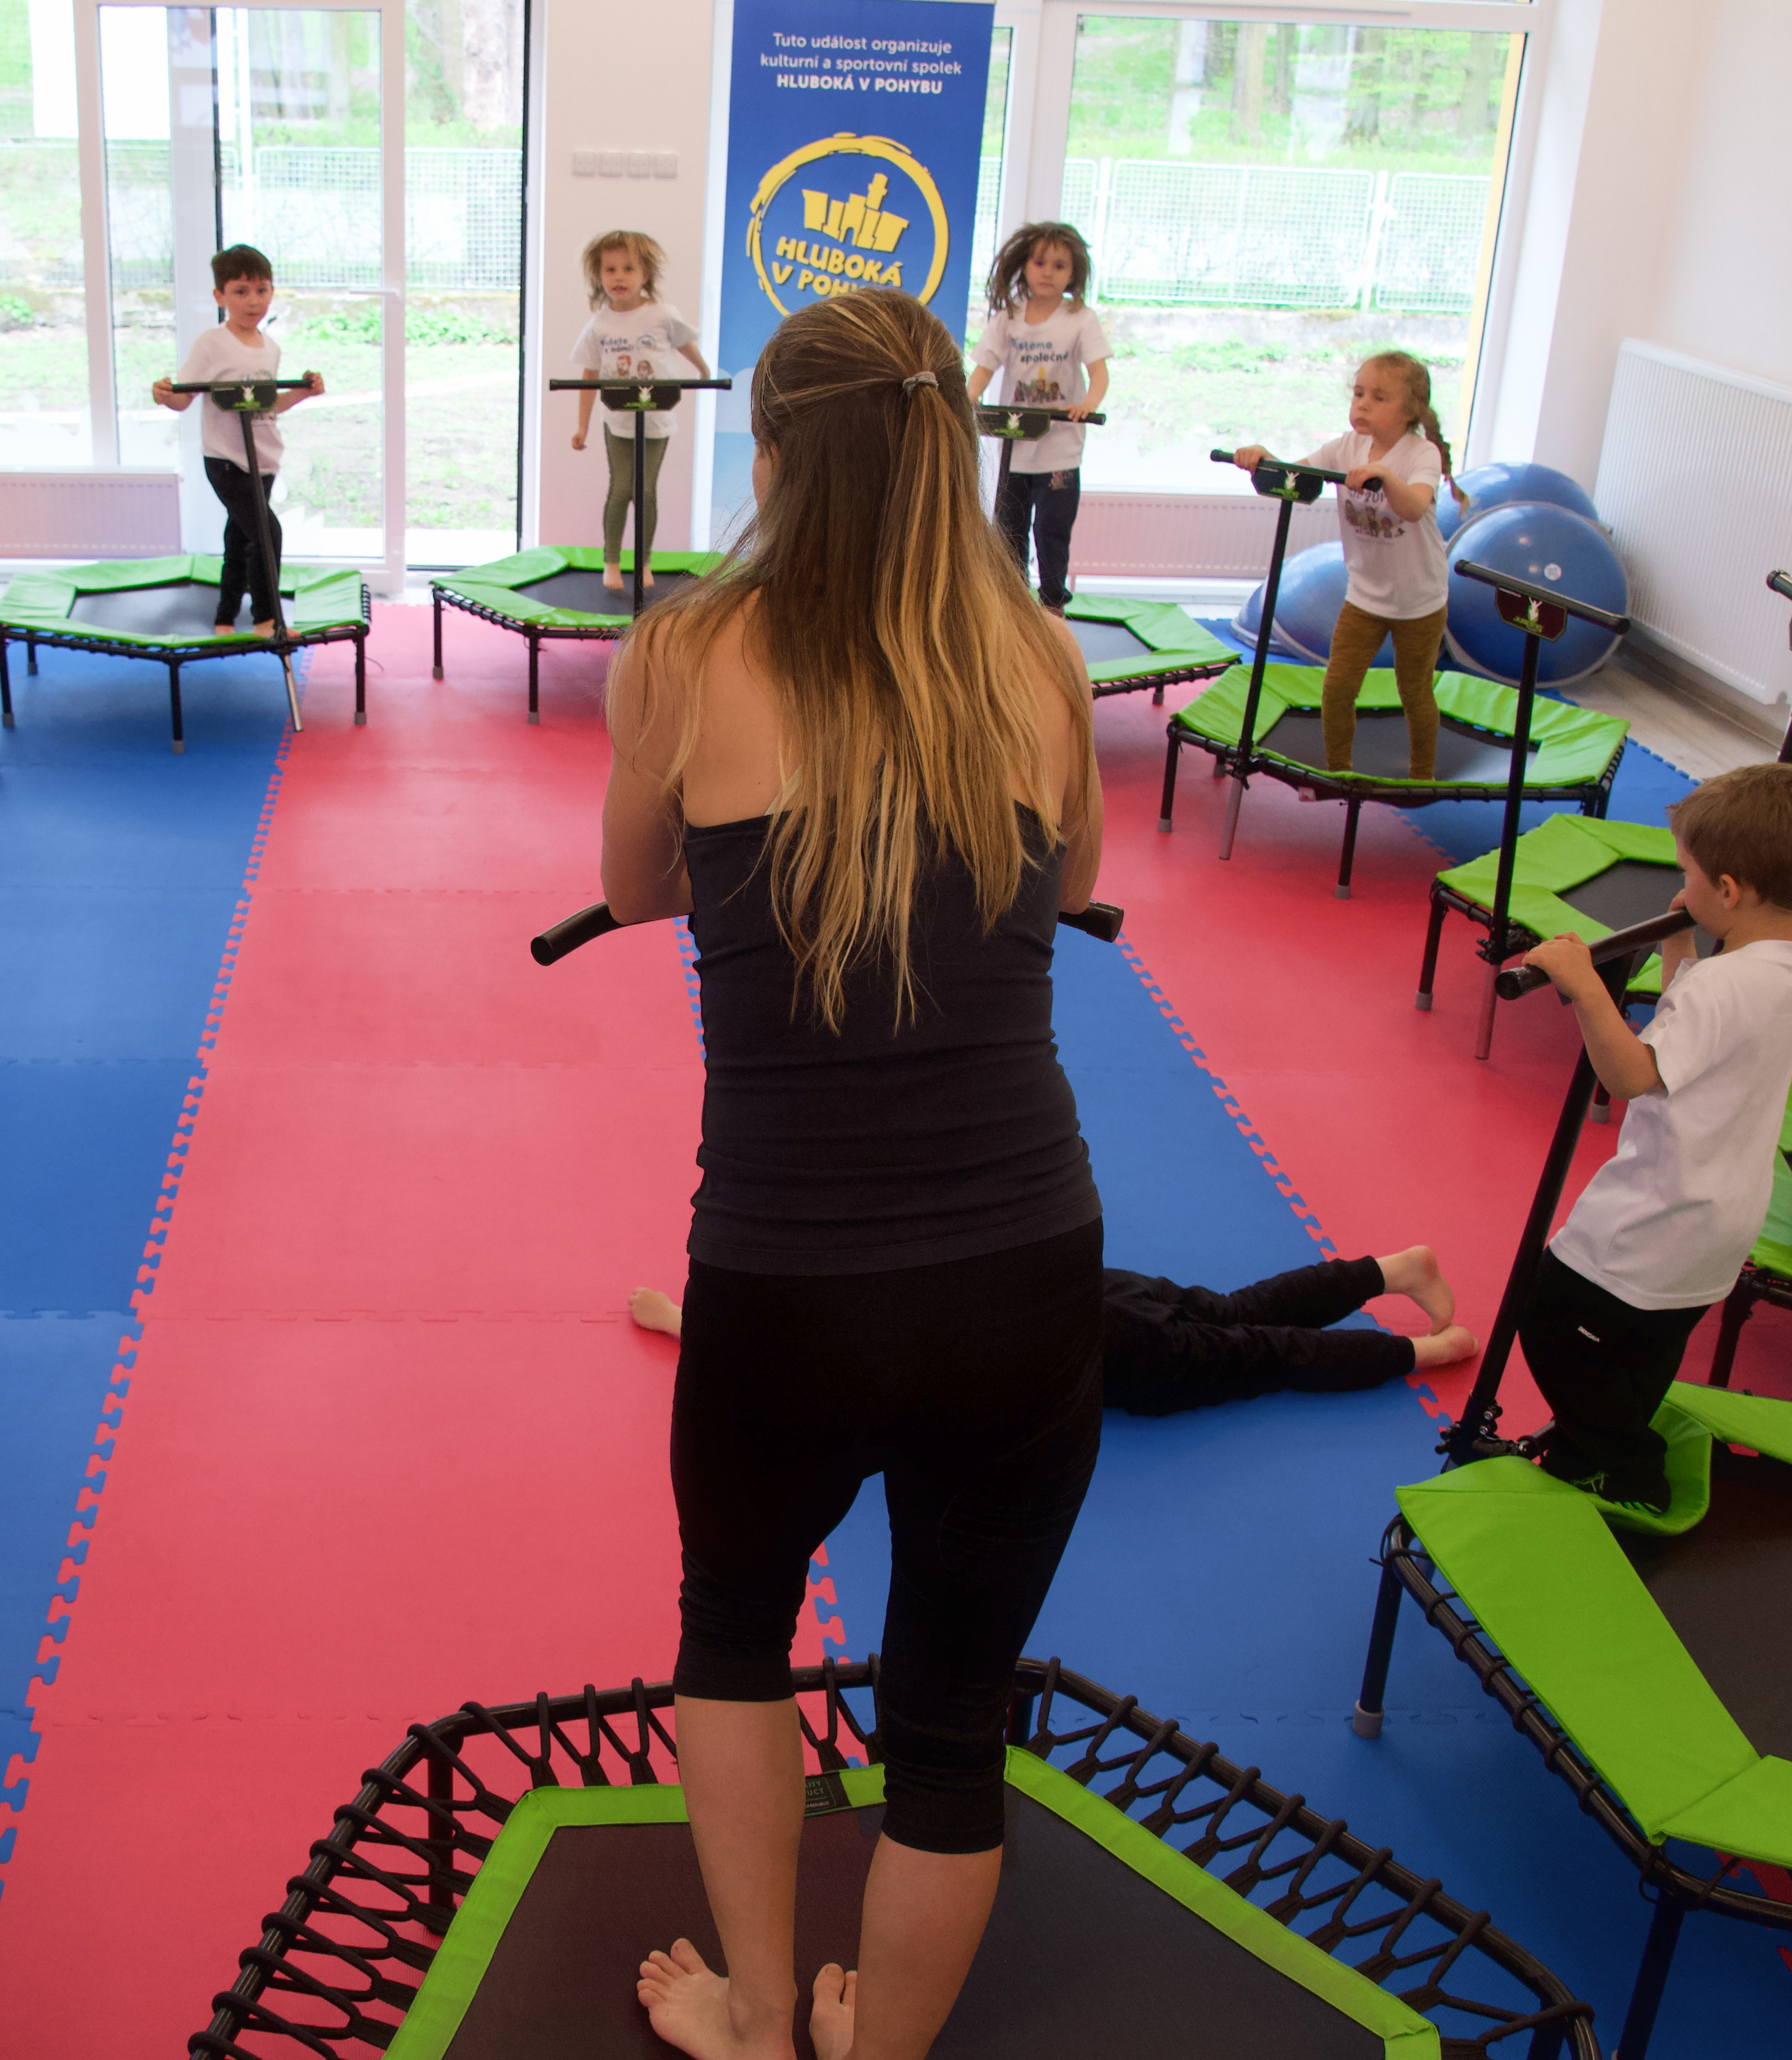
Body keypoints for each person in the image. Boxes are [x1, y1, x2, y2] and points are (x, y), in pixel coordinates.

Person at [602, 286, 1106, 2060]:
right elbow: (1069, 877)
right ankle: (873, 2046)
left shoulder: (682, 650)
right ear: (951, 441)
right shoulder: (1038, 657)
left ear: (771, 459)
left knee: (737, 1633)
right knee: (951, 1722)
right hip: (1026, 1268)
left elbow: (641, 883)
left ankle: (756, 2016)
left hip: (787, 1285)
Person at [1520, 762, 1792, 1510]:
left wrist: (1585, 986)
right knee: (1647, 1344)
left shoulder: (1725, 985)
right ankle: (1589, 1448)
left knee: (1549, 1318)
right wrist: (1680, 949)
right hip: (1720, 1224)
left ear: (1728, 890)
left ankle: (1627, 1466)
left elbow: (1634, 1074)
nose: (1681, 883)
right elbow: (1697, 1035)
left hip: (1657, 1215)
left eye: (1687, 872)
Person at [632, 1247, 1477, 1415]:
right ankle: (1392, 1270)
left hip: (1102, 1350)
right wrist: (678, 1319)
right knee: (1227, 1309)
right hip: (1081, 1283)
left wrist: (679, 1323)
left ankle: (1421, 1350)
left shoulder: (863, 1346)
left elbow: (771, 1364)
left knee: (1256, 1356)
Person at [1226, 353, 1465, 779]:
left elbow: (1414, 507)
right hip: (1365, 597)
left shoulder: (1421, 453)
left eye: (1379, 398)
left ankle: (1422, 775)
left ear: (1410, 410)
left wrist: (1384, 477)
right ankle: (1338, 773)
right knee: (1336, 690)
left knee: (1414, 692)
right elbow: (1295, 481)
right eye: (1358, 394)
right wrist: (1262, 461)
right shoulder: (1345, 448)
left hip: (1420, 601)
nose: (1363, 404)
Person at [152, 244, 324, 639]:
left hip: (264, 460)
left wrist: (304, 392)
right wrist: (163, 394)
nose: (254, 301)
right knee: (267, 534)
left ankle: (225, 618)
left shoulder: (270, 348)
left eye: (262, 290)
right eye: (241, 292)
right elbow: (182, 398)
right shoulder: (212, 343)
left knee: (241, 539)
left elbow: (269, 406)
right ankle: (266, 620)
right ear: (221, 296)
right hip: (227, 460)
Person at [964, 223, 1109, 611]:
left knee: (1052, 531)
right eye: (1040, 263)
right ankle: (1013, 605)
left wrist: (1089, 403)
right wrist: (966, 401)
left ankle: (1052, 604)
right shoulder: (1007, 319)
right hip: (1017, 447)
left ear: (1074, 273)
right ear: (1024, 266)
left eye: (1060, 266)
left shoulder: (1080, 318)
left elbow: (1099, 372)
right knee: (1009, 530)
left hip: (1060, 449)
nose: (1048, 273)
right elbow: (983, 369)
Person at [567, 229, 713, 594]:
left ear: (645, 274)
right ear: (599, 276)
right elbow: (589, 377)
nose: (619, 277)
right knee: (621, 489)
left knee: (646, 492)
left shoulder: (662, 315)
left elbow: (685, 344)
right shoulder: (600, 325)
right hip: (618, 421)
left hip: (657, 420)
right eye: (610, 270)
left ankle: (644, 560)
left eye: (629, 269)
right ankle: (612, 561)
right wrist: (582, 427)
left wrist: (704, 370)